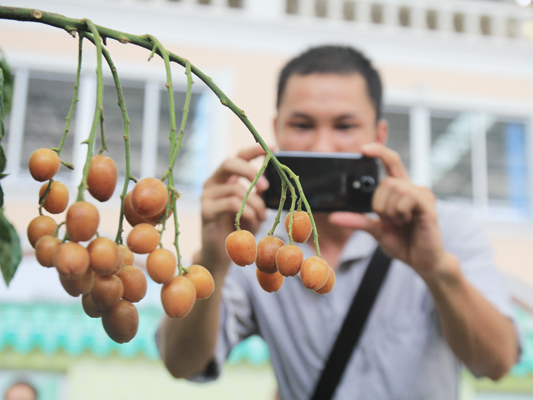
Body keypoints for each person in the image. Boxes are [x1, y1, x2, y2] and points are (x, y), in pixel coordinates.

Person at [158, 45, 519, 399]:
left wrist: (437, 269)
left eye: (345, 125)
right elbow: (183, 365)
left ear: (378, 137)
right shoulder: (255, 245)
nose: (322, 144)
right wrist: (212, 259)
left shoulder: (442, 229)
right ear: (276, 130)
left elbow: (497, 362)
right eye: (302, 124)